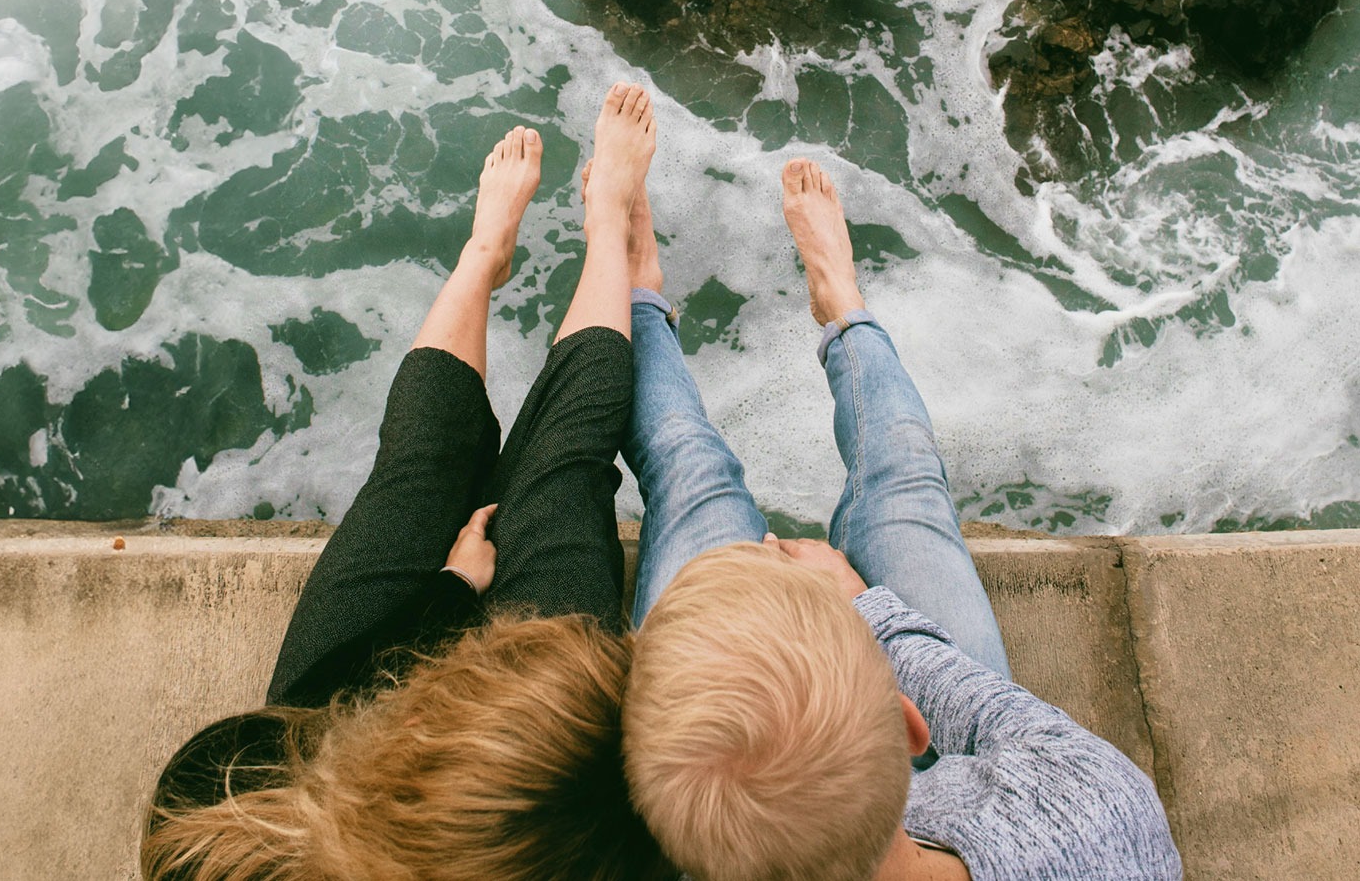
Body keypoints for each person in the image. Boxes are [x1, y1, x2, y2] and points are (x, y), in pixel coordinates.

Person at [140, 86, 679, 881]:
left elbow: (307, 741)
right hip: (519, 798)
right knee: (563, 471)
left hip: (325, 727)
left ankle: (482, 256)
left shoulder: (228, 816)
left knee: (417, 466)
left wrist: (451, 594)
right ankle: (607, 232)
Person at [617, 156, 1184, 880]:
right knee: (904, 475)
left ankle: (640, 292)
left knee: (692, 475)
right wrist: (862, 607)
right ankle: (841, 303)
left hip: (772, 826)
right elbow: (998, 718)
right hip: (940, 807)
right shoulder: (1095, 818)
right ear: (914, 725)